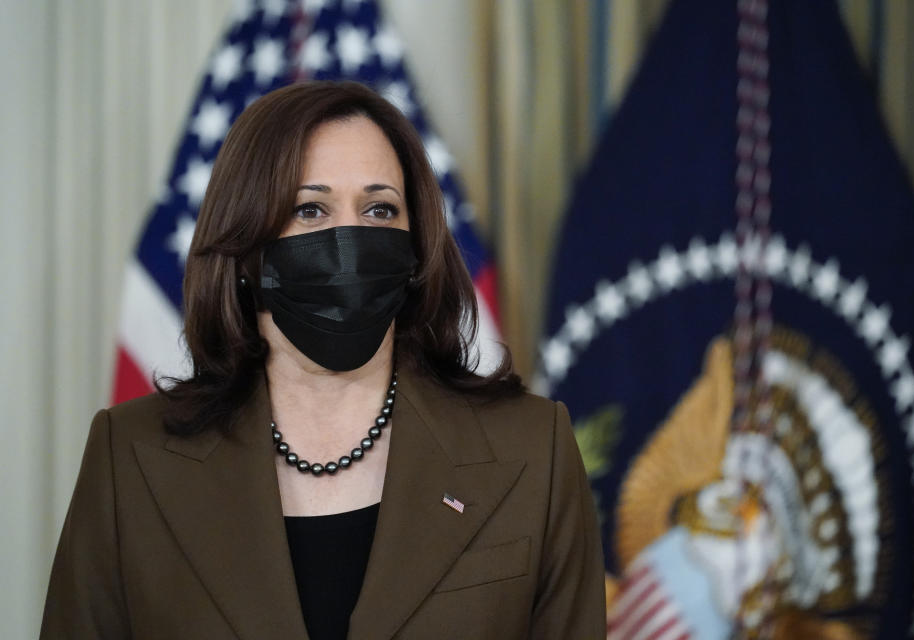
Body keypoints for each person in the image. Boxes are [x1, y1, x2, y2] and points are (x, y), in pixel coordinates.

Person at [40, 81, 605, 639]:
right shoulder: (130, 457)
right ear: (246, 244)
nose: (348, 241)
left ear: (415, 246)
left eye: (380, 210)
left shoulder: (534, 447)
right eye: (310, 209)